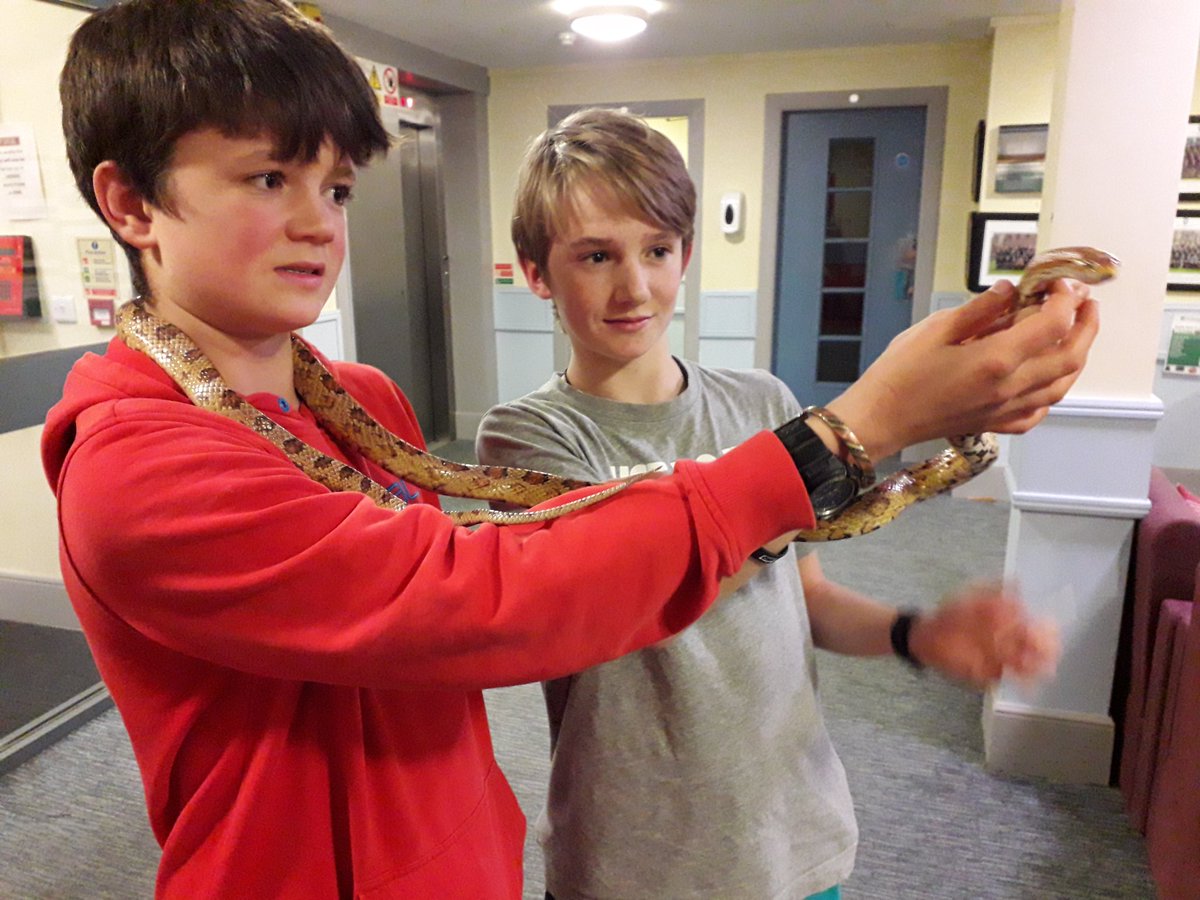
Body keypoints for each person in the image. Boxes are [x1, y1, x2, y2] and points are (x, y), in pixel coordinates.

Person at [42, 2, 1096, 896]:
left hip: (471, 862)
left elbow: (769, 581)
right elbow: (484, 597)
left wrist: (911, 611)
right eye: (269, 178)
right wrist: (854, 430)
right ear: (132, 203)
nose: (319, 223)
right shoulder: (137, 469)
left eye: (338, 188)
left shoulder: (359, 402)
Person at [476, 108, 1077, 899]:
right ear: (536, 273)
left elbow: (807, 596)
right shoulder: (526, 440)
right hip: (633, 856)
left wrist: (917, 633)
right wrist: (807, 467)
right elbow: (615, 598)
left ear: (685, 255)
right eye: (596, 256)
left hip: (793, 837)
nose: (635, 285)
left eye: (657, 250)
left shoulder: (763, 406)